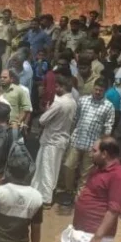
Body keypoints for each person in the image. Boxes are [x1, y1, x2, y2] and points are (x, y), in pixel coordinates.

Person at [60, 78, 114, 205]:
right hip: (76, 140)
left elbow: (108, 127)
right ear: (93, 88)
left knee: (86, 174)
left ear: (104, 91)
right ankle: (69, 191)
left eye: (101, 90)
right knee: (68, 166)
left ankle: (79, 198)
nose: (98, 92)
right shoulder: (83, 101)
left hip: (92, 145)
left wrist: (102, 146)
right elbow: (75, 119)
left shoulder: (108, 106)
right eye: (96, 89)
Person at [31, 76, 77, 208]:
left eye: (57, 87)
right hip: (61, 140)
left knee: (46, 169)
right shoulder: (73, 102)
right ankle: (43, 193)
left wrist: (46, 109)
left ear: (62, 87)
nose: (55, 89)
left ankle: (46, 199)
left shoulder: (59, 103)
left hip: (51, 140)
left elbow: (42, 120)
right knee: (53, 169)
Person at [0, 9, 18, 78]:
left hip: (7, 45)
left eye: (8, 15)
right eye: (5, 14)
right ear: (3, 15)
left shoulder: (12, 24)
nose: (6, 16)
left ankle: (3, 77)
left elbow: (15, 34)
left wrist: (13, 26)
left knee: (5, 63)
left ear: (10, 16)